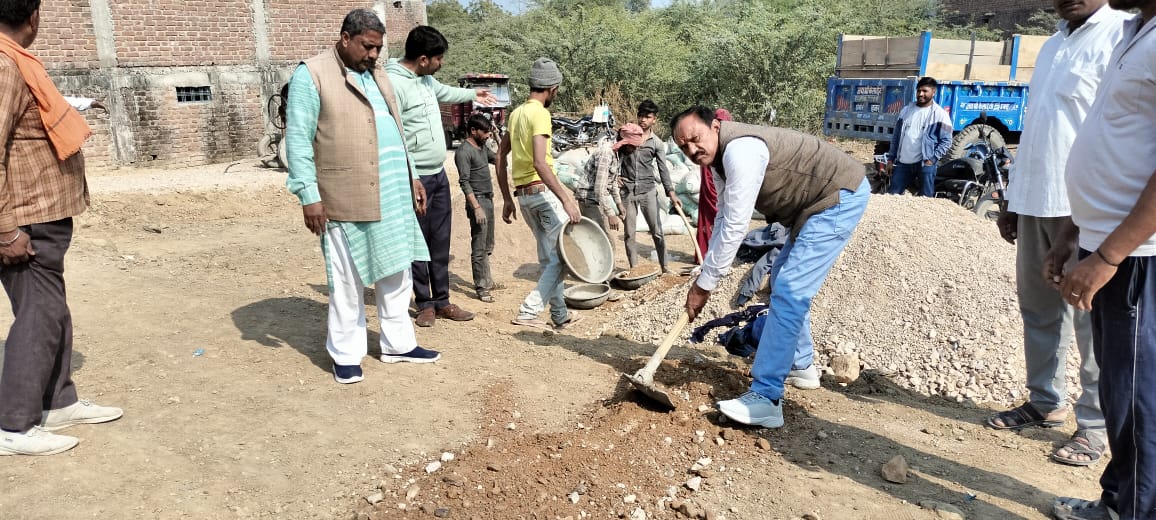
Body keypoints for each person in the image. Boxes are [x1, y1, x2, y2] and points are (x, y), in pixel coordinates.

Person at [987, 0, 1129, 468]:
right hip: (1036, 198)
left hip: (1085, 205)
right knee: (1039, 309)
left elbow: (1114, 132)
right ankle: (1045, 401)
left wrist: (1092, 212)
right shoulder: (1051, 46)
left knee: (1090, 320)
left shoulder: (1120, 34)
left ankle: (1094, 425)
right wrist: (1014, 200)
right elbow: (1037, 130)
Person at [670, 106, 869, 429]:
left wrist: (705, 285)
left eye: (695, 138)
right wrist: (706, 271)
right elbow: (723, 216)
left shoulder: (741, 152)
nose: (692, 150)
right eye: (683, 147)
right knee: (781, 278)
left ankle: (766, 397)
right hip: (811, 206)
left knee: (791, 290)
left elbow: (737, 225)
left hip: (838, 195)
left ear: (716, 126)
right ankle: (801, 365)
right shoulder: (719, 161)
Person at [285, 9, 441, 385]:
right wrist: (309, 196)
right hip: (344, 196)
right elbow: (298, 141)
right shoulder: (313, 74)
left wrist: (413, 177)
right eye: (367, 46)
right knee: (347, 279)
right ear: (345, 38)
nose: (373, 54)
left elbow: (396, 127)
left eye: (378, 48)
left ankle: (398, 345)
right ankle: (345, 354)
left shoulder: (378, 73)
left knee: (397, 272)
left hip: (393, 192)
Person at [1047, 0, 1156, 517]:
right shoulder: (1134, 32)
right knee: (1119, 389)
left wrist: (1109, 255)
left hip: (1136, 254)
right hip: (1106, 244)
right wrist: (1072, 234)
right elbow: (1112, 140)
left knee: (1137, 396)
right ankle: (1118, 502)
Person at [0, 0, 123, 456]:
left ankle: (58, 402)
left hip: (41, 212)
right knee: (40, 314)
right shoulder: (5, 65)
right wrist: (6, 231)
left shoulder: (16, 61)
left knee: (52, 309)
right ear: (33, 17)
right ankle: (14, 425)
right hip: (25, 218)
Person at [386, 25, 497, 328]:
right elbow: (396, 136)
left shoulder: (425, 79)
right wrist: (411, 177)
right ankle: (425, 304)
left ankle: (443, 301)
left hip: (437, 175)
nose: (441, 63)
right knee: (419, 242)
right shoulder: (394, 84)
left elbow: (445, 91)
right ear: (423, 59)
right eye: (438, 58)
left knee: (440, 240)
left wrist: (474, 93)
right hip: (416, 180)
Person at [495, 58, 583, 331]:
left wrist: (507, 198)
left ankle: (559, 315)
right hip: (542, 194)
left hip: (524, 197)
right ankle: (528, 311)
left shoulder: (516, 114)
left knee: (549, 259)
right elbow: (540, 162)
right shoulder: (540, 114)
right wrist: (566, 199)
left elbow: (500, 155)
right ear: (552, 88)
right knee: (563, 258)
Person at [621, 100, 678, 273]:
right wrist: (614, 176)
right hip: (628, 191)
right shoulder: (626, 136)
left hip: (648, 191)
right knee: (630, 233)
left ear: (654, 120)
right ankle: (634, 269)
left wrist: (671, 192)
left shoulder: (656, 143)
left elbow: (663, 169)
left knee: (657, 231)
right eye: (641, 116)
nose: (643, 120)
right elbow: (614, 155)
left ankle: (665, 268)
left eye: (648, 117)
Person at [455, 114, 498, 303]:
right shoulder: (464, 152)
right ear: (473, 131)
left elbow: (499, 158)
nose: (488, 135)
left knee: (488, 245)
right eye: (485, 131)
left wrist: (497, 136)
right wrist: (476, 207)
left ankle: (487, 281)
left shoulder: (482, 147)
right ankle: (481, 287)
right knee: (479, 246)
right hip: (478, 202)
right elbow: (464, 182)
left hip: (488, 200)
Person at [885, 76, 952, 197]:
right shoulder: (906, 111)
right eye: (919, 91)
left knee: (925, 199)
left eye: (925, 91)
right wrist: (890, 159)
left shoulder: (940, 114)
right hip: (903, 163)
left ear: (933, 92)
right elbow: (896, 137)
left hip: (925, 164)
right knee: (892, 195)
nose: (921, 94)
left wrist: (932, 159)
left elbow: (946, 141)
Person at [576, 124, 638, 235]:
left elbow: (613, 181)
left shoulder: (618, 153)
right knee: (601, 237)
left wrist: (619, 204)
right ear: (624, 142)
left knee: (601, 237)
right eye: (632, 146)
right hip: (588, 198)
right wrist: (610, 214)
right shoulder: (606, 153)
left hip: (596, 199)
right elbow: (599, 188)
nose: (634, 149)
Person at [695, 108, 733, 264]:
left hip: (715, 189)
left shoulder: (728, 143)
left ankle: (710, 254)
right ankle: (708, 255)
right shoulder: (709, 144)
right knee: (715, 221)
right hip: (711, 191)